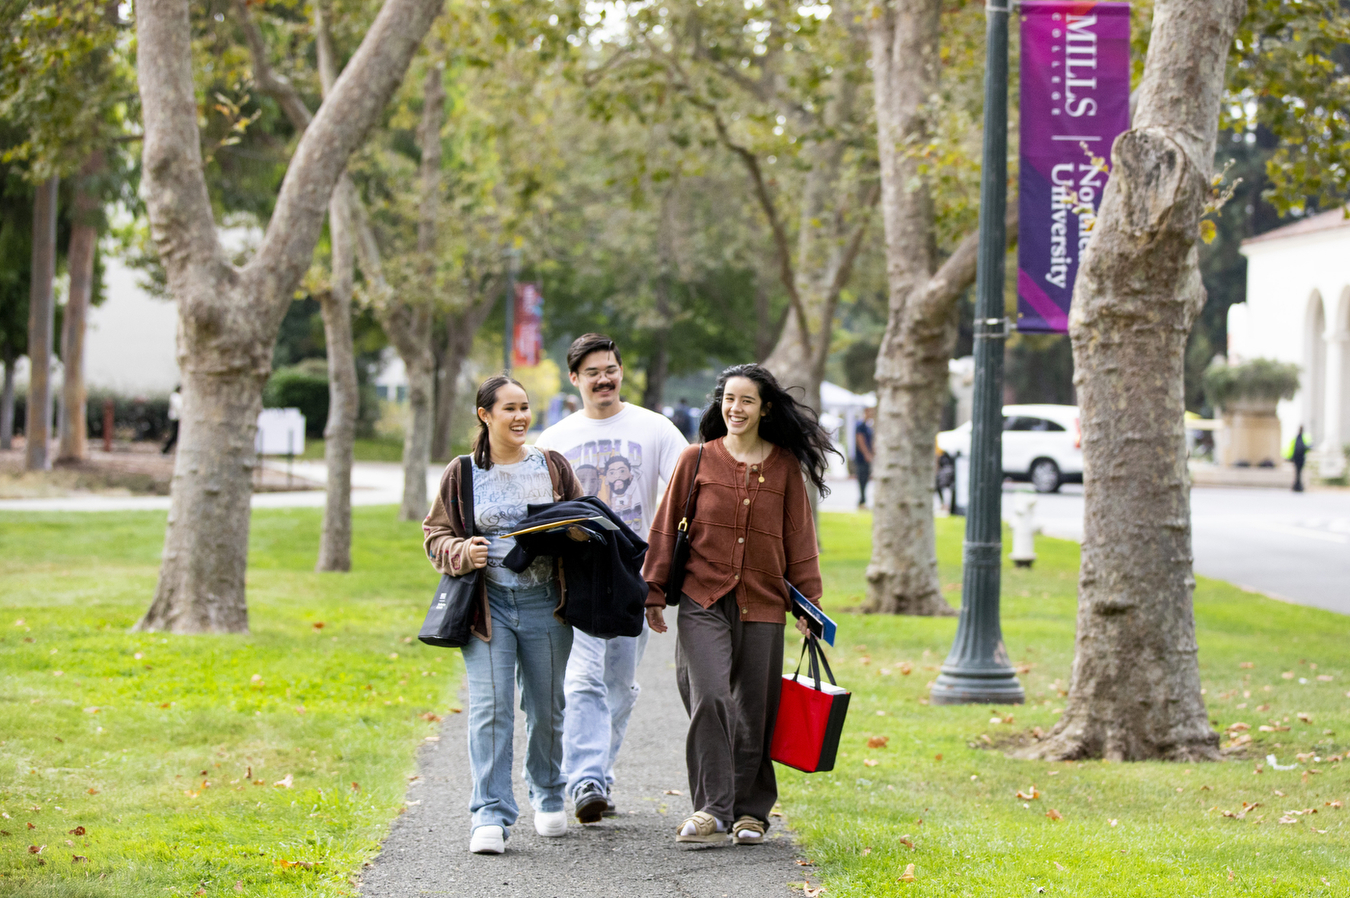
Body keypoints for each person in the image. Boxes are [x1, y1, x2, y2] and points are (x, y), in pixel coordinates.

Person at [643, 363, 836, 846]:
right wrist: (652, 590)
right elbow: (666, 527)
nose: (736, 408)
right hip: (702, 597)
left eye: (747, 400)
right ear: (719, 404)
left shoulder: (786, 466)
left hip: (765, 602)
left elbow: (800, 539)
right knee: (710, 696)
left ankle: (751, 811)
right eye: (729, 399)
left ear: (764, 407)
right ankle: (711, 807)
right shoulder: (697, 459)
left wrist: (808, 606)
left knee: (756, 709)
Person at [422, 374, 583, 855]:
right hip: (486, 609)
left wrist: (575, 534)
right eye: (508, 408)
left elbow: (585, 521)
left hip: (545, 607)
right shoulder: (461, 472)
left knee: (546, 707)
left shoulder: (552, 467)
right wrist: (459, 552)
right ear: (484, 415)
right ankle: (489, 812)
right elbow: (435, 534)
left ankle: (549, 793)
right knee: (491, 709)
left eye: (525, 407)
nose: (520, 417)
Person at [534, 334, 688, 823]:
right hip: (576, 579)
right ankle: (586, 781)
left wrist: (667, 562)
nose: (604, 379)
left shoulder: (655, 428)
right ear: (574, 379)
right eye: (593, 372)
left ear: (620, 372)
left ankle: (597, 770)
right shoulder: (554, 439)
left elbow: (689, 488)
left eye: (611, 369)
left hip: (632, 576)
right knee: (581, 680)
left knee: (620, 685)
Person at [162, 385, 182, 454]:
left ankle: (166, 450)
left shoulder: (175, 396)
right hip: (176, 418)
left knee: (176, 435)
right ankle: (165, 450)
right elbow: (179, 407)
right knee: (175, 435)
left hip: (176, 418)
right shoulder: (176, 397)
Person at [1292, 425, 1309, 492]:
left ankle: (1297, 486)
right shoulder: (1301, 438)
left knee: (1298, 472)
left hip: (1299, 457)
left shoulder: (1299, 438)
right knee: (1298, 472)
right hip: (1298, 458)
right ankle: (1297, 486)